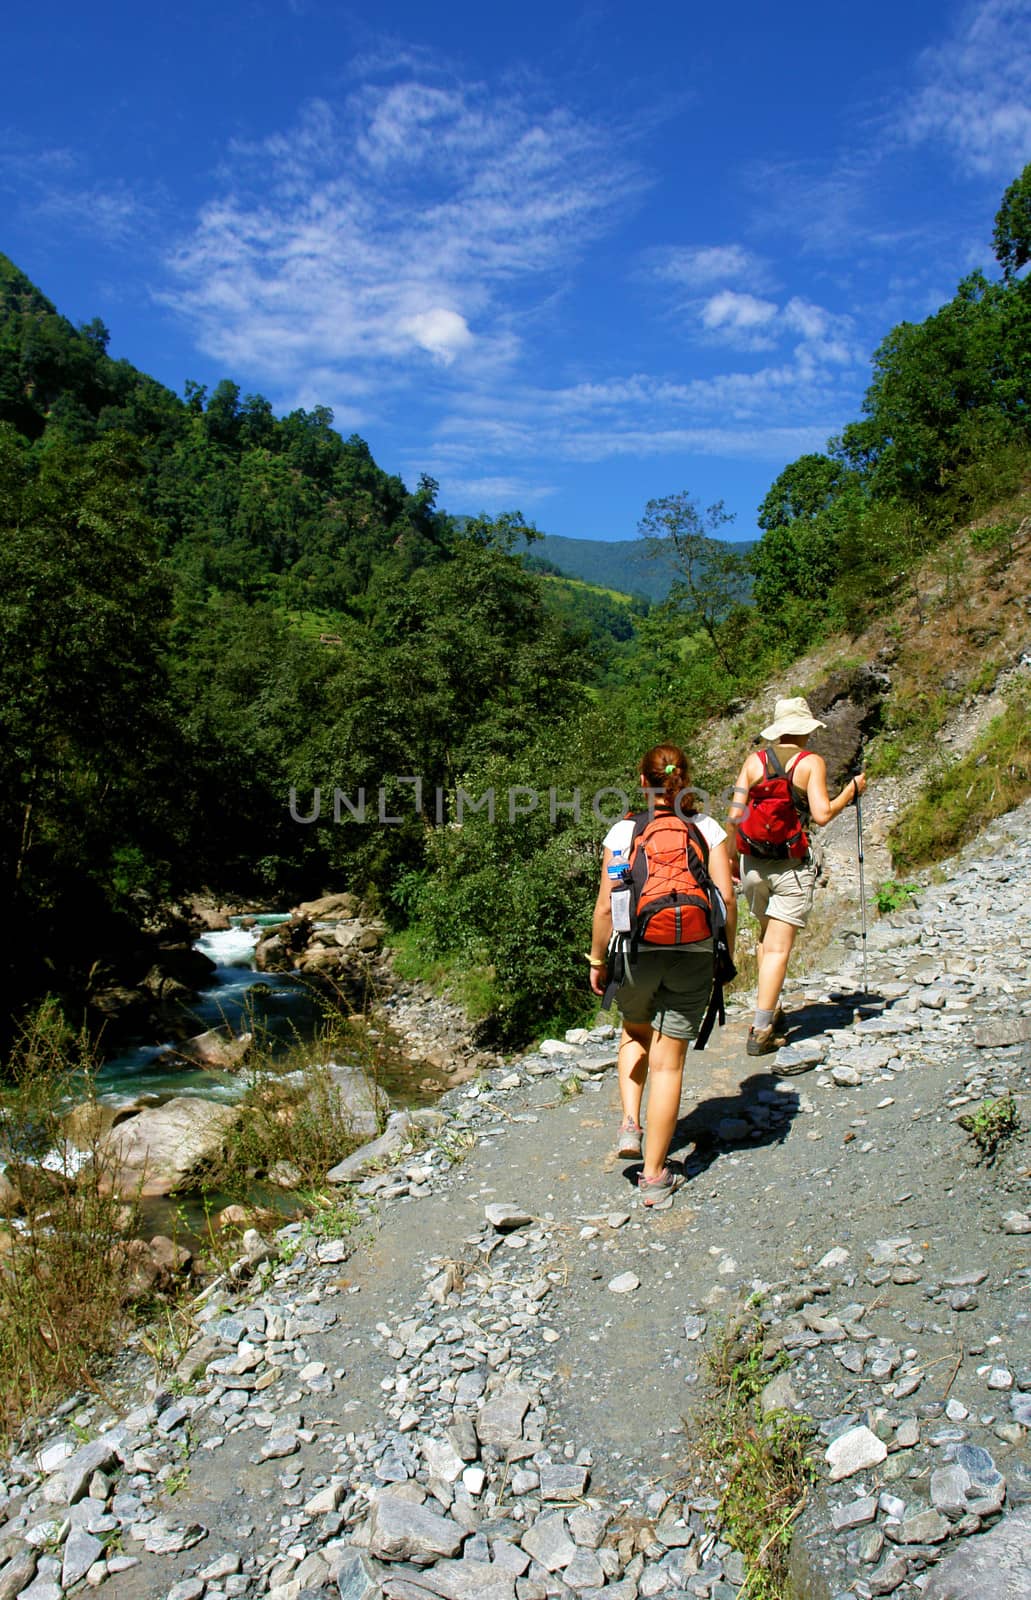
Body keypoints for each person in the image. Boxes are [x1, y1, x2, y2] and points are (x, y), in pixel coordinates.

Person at [588, 744, 736, 1206]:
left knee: (634, 1032)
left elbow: (605, 907)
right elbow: (726, 902)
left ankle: (631, 1124)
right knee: (669, 1062)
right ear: (684, 779)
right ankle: (654, 1176)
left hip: (636, 951)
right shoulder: (706, 828)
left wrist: (597, 961)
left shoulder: (623, 831)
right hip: (694, 952)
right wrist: (724, 953)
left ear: (642, 779)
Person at [726, 696, 866, 1056]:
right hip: (789, 865)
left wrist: (729, 860)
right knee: (777, 947)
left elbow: (734, 815)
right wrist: (850, 792)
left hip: (752, 865)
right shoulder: (810, 763)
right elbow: (821, 814)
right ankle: (760, 1031)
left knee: (765, 939)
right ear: (805, 729)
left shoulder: (754, 761)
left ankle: (772, 1009)